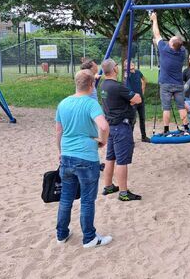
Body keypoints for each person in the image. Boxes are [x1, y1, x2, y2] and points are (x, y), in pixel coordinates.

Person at [55, 69, 112, 248]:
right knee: (87, 199)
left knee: (66, 197)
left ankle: (61, 234)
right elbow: (103, 125)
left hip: (67, 155)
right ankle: (89, 238)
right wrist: (102, 141)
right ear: (91, 84)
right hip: (86, 157)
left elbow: (59, 131)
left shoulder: (63, 103)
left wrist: (60, 150)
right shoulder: (91, 104)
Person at [100, 59, 143, 201]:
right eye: (117, 66)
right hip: (121, 126)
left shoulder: (103, 85)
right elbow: (138, 99)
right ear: (114, 69)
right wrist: (130, 100)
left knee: (110, 157)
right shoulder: (117, 86)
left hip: (111, 126)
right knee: (122, 160)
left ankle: (108, 186)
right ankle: (123, 192)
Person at [149, 12, 190, 135]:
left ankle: (166, 129)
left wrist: (154, 19)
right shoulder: (182, 51)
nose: (168, 41)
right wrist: (158, 42)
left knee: (166, 108)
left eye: (170, 40)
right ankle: (186, 128)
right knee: (181, 107)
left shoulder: (165, 49)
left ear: (171, 45)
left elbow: (157, 33)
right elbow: (178, 43)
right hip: (178, 83)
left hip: (166, 84)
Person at [124, 61, 150, 142]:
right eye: (128, 65)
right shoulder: (127, 74)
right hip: (133, 100)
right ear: (125, 67)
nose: (131, 65)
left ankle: (144, 137)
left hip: (141, 99)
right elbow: (125, 80)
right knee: (133, 120)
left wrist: (143, 90)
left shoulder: (138, 72)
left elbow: (144, 80)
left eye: (132, 63)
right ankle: (130, 139)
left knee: (142, 118)